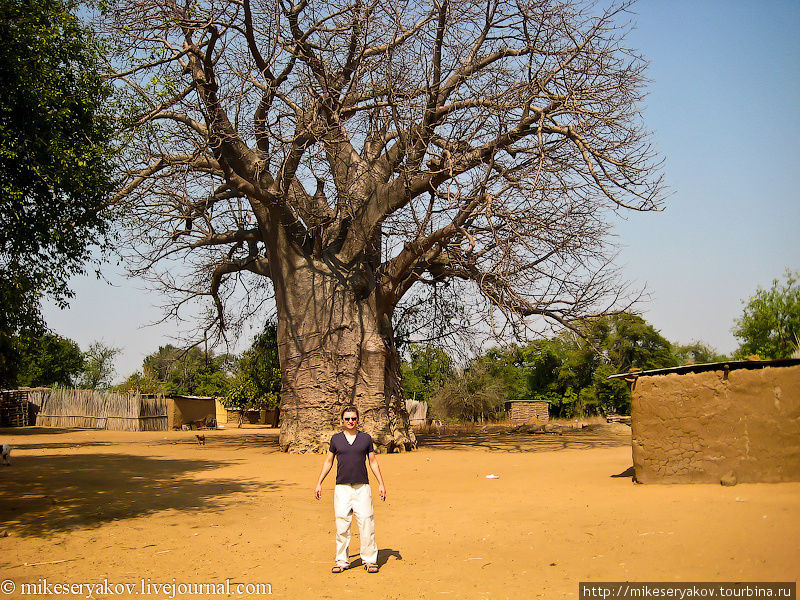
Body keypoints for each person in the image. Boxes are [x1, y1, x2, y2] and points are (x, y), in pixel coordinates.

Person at [314, 405, 387, 574]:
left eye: (353, 418)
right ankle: (342, 560)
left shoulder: (366, 439)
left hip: (362, 487)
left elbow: (373, 462)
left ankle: (369, 560)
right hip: (342, 488)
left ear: (358, 420)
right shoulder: (336, 439)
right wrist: (319, 482)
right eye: (347, 419)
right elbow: (329, 462)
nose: (350, 421)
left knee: (367, 523)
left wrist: (381, 484)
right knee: (342, 525)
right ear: (342, 420)